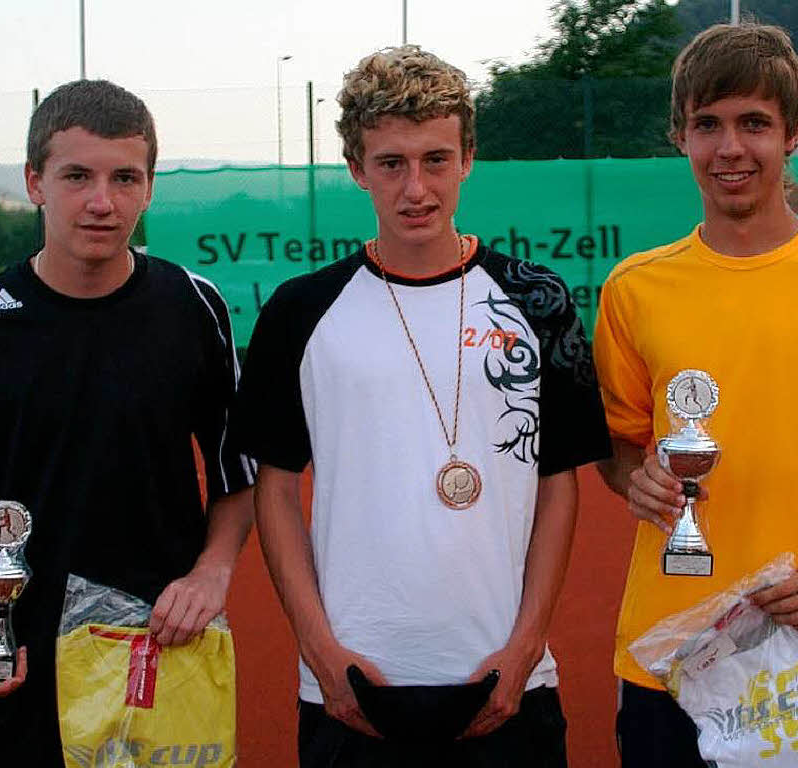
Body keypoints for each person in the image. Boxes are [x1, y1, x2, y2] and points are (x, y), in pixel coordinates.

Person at [234, 45, 611, 767]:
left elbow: (557, 484)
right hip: (353, 686)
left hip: (505, 680)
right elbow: (275, 490)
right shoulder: (299, 312)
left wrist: (527, 643)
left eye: (436, 160)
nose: (416, 188)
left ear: (468, 157)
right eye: (391, 163)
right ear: (356, 168)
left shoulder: (540, 301)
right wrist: (318, 647)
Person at [592, 23, 798, 767]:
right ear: (679, 134)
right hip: (670, 655)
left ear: (793, 134)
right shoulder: (635, 289)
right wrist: (638, 478)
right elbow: (618, 446)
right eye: (706, 125)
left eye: (754, 123)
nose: (730, 149)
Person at [0, 79, 256, 767]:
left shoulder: (194, 307)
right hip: (12, 664)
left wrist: (213, 574)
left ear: (150, 187)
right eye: (78, 176)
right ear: (36, 182)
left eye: (125, 177)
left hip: (157, 656)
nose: (103, 202)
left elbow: (236, 475)